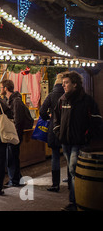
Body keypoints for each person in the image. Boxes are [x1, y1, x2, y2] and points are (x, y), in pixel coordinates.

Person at [53, 71, 103, 211]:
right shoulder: (62, 100)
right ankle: (75, 200)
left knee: (73, 170)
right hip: (65, 141)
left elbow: (97, 120)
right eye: (63, 83)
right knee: (71, 172)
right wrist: (58, 132)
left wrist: (87, 136)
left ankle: (75, 203)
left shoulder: (87, 100)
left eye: (66, 82)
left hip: (79, 142)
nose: (63, 85)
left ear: (75, 84)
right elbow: (56, 119)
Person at [0, 79, 32, 187]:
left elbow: (18, 120)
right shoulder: (11, 100)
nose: (0, 89)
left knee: (11, 158)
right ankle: (17, 179)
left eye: (1, 87)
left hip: (14, 134)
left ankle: (13, 181)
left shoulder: (16, 101)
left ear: (5, 88)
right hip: (13, 133)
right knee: (13, 157)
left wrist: (15, 136)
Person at [39, 72, 65, 192]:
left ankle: (55, 184)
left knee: (55, 157)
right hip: (67, 129)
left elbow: (42, 111)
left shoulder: (51, 95)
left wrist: (49, 118)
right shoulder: (69, 95)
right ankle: (72, 181)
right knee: (68, 154)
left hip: (54, 129)